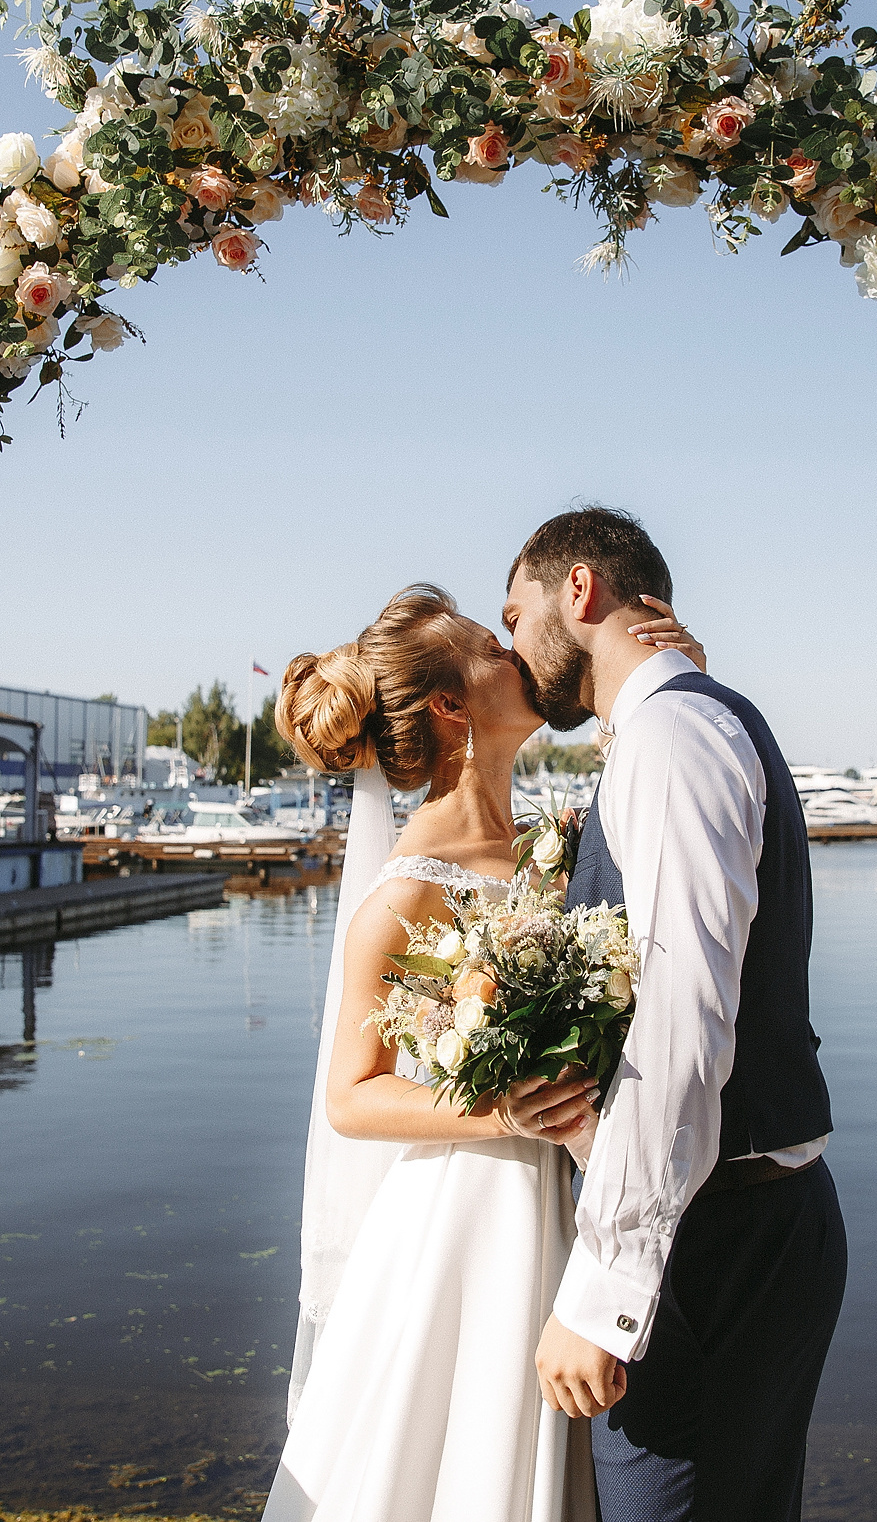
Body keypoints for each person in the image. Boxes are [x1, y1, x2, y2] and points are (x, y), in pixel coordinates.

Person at [262, 582, 704, 1522]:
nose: (519, 655)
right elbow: (350, 1096)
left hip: (570, 1199)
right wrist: (498, 1108)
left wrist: (675, 681)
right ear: (453, 707)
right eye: (489, 648)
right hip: (471, 1218)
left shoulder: (552, 839)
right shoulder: (406, 890)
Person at [504, 507, 847, 1522]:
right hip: (735, 1217)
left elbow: (682, 1019)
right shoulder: (672, 724)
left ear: (579, 591)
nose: (515, 648)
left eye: (515, 615)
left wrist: (607, 1288)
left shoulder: (670, 735)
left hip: (712, 1245)